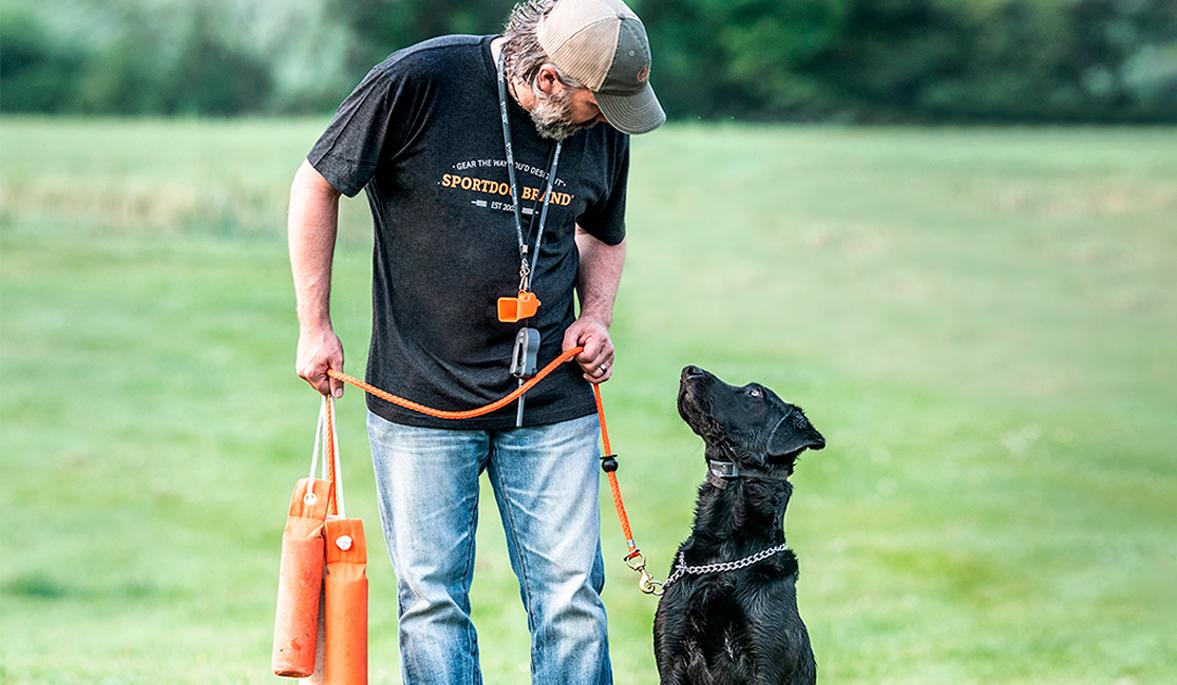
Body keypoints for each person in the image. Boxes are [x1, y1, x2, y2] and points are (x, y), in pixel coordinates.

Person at [286, 0, 664, 682]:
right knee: (432, 602)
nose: (607, 122)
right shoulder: (418, 80)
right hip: (421, 400)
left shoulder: (602, 121)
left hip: (551, 398)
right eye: (597, 106)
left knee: (572, 602)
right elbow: (317, 183)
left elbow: (604, 232)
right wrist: (314, 326)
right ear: (547, 80)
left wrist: (597, 316)